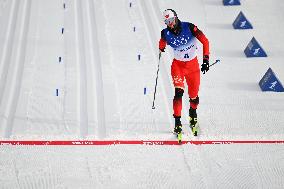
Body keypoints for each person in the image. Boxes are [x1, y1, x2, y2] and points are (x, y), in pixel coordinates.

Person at [159, 9, 209, 136]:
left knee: (193, 96)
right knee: (178, 93)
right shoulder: (165, 33)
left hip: (193, 67)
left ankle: (193, 115)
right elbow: (162, 43)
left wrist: (206, 60)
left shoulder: (190, 27)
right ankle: (177, 123)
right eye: (167, 22)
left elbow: (205, 41)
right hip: (178, 67)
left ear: (176, 17)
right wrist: (161, 46)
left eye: (171, 20)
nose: (170, 23)